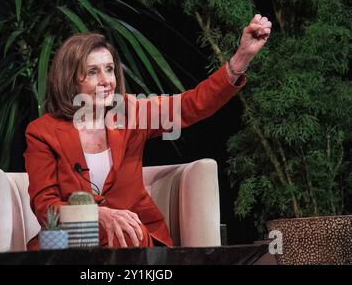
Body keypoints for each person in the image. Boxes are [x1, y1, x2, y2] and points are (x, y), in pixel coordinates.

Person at [24, 14, 272, 249]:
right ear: (70, 79)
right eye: (92, 72)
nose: (106, 80)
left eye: (109, 69)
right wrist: (96, 215)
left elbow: (191, 105)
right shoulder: (43, 132)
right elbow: (46, 209)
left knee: (125, 234)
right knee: (57, 247)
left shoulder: (131, 112)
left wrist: (241, 58)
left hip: (131, 235)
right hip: (72, 237)